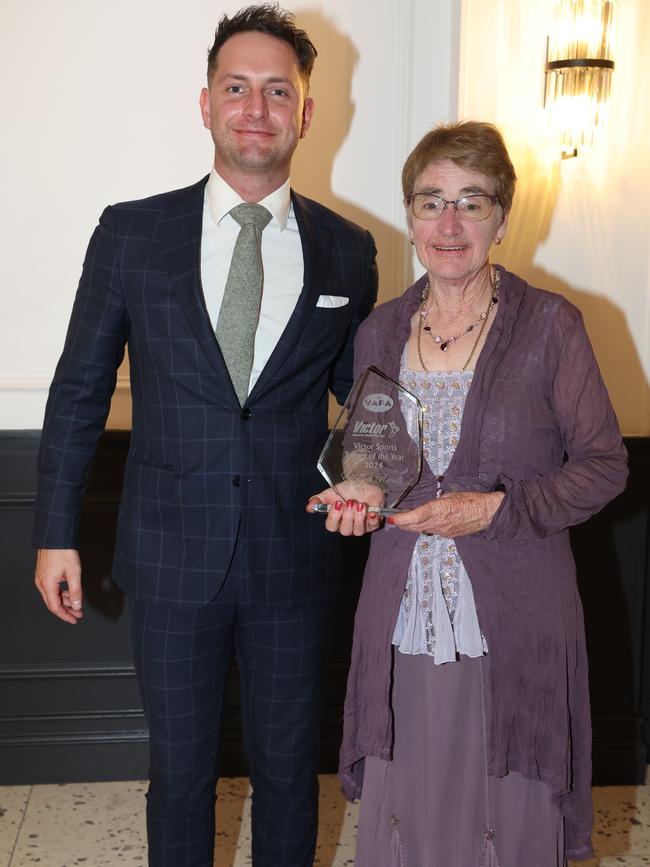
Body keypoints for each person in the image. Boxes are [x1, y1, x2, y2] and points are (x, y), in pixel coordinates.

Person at [32, 5, 377, 866]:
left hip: (293, 560)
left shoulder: (351, 250)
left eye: (276, 91)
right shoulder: (131, 233)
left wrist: (371, 474)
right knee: (180, 774)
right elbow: (79, 389)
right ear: (205, 103)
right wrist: (53, 534)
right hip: (169, 555)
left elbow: (368, 396)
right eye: (236, 87)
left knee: (293, 775)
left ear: (306, 113)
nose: (255, 108)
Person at [308, 121, 627, 866]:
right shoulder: (380, 331)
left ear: (502, 218)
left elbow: (605, 465)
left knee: (505, 808)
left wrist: (497, 507)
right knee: (407, 806)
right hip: (403, 612)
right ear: (410, 217)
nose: (449, 223)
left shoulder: (552, 325)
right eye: (431, 201)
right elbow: (375, 463)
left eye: (471, 202)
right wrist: (356, 498)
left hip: (514, 614)